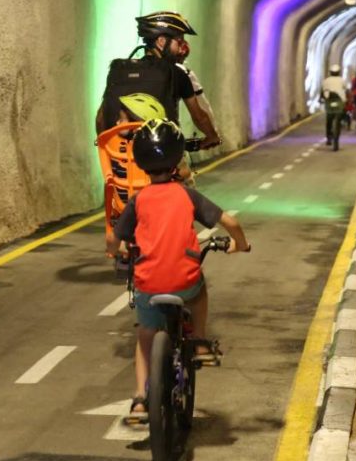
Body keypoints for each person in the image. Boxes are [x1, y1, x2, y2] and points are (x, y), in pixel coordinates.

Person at [104, 119, 250, 419]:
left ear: (141, 162)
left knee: (145, 337)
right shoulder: (187, 195)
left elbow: (113, 238)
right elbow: (231, 223)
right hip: (184, 280)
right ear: (177, 159)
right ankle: (198, 342)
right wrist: (240, 245)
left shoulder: (138, 200)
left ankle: (141, 399)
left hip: (148, 282)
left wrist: (114, 250)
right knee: (200, 291)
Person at [95, 11, 221, 152]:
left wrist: (106, 146)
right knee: (183, 173)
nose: (181, 48)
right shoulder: (177, 73)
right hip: (162, 156)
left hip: (122, 159)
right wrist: (212, 136)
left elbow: (101, 118)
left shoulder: (120, 71)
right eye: (178, 41)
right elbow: (199, 117)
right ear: (161, 42)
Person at [320, 64, 349, 151]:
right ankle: (341, 124)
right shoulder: (342, 80)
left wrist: (321, 99)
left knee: (329, 118)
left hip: (329, 101)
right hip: (340, 101)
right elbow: (346, 89)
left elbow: (322, 91)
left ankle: (329, 137)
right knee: (340, 116)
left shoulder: (326, 81)